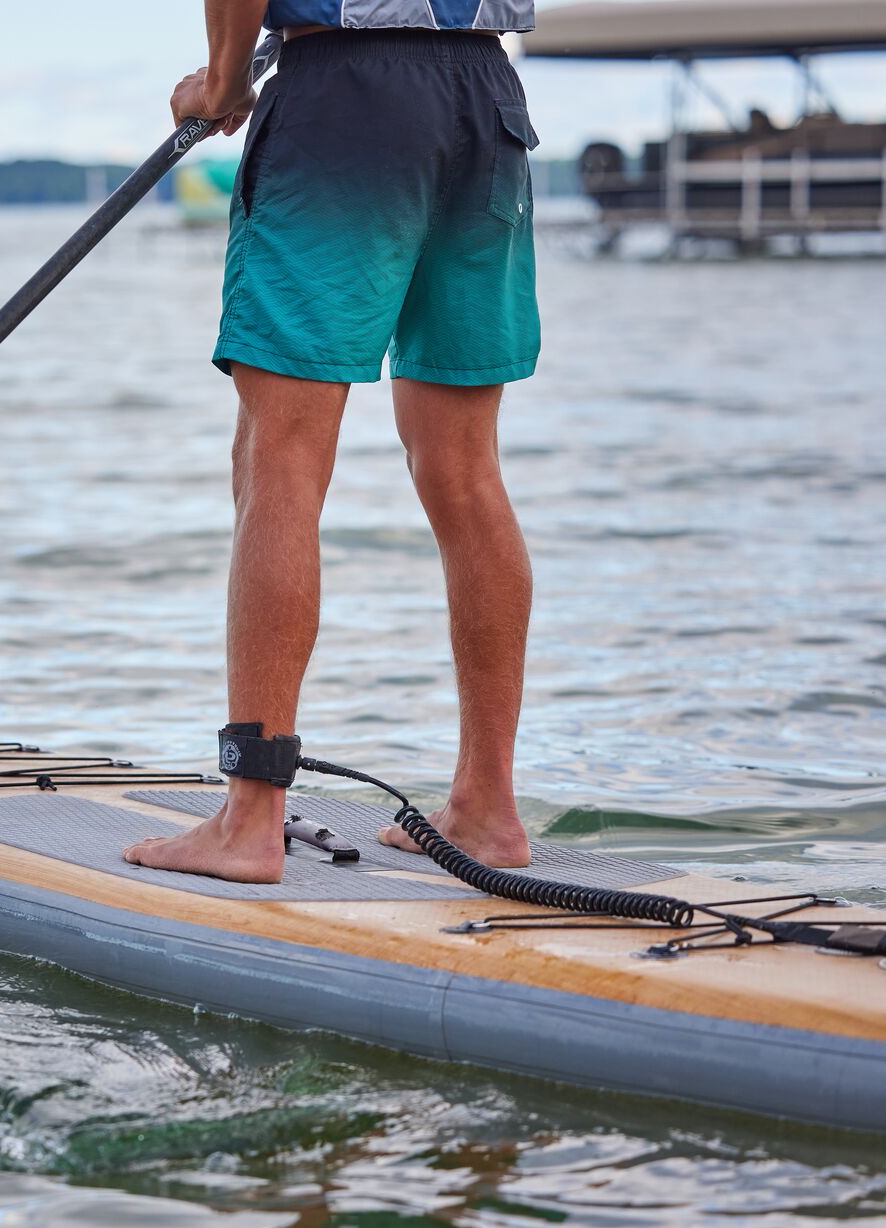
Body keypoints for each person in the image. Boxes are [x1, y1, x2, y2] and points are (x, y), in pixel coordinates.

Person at [125, 0, 542, 884]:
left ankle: (250, 818)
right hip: (487, 100)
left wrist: (225, 79)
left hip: (343, 99)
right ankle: (488, 811)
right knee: (467, 474)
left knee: (280, 463)